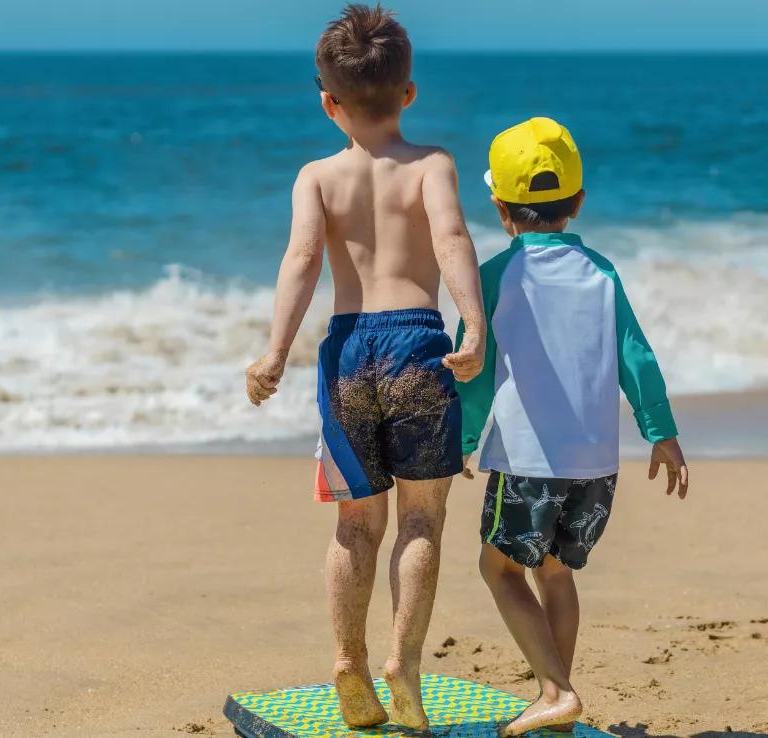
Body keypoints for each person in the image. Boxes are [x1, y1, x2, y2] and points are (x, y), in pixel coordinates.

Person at [244, 4, 486, 731]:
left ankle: (347, 657)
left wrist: (275, 352)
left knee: (356, 525)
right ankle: (401, 662)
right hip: (417, 341)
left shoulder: (316, 176)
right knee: (422, 517)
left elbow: (301, 261)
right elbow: (450, 238)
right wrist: (472, 323)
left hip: (347, 350)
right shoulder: (432, 165)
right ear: (408, 92)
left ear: (329, 103)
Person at [456, 117, 690, 737]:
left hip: (528, 461)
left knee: (497, 568)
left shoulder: (494, 276)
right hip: (595, 464)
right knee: (554, 570)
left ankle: (557, 690)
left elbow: (474, 372)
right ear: (578, 203)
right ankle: (555, 705)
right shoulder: (603, 273)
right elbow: (635, 357)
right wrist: (660, 432)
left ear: (501, 208)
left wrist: (459, 441)